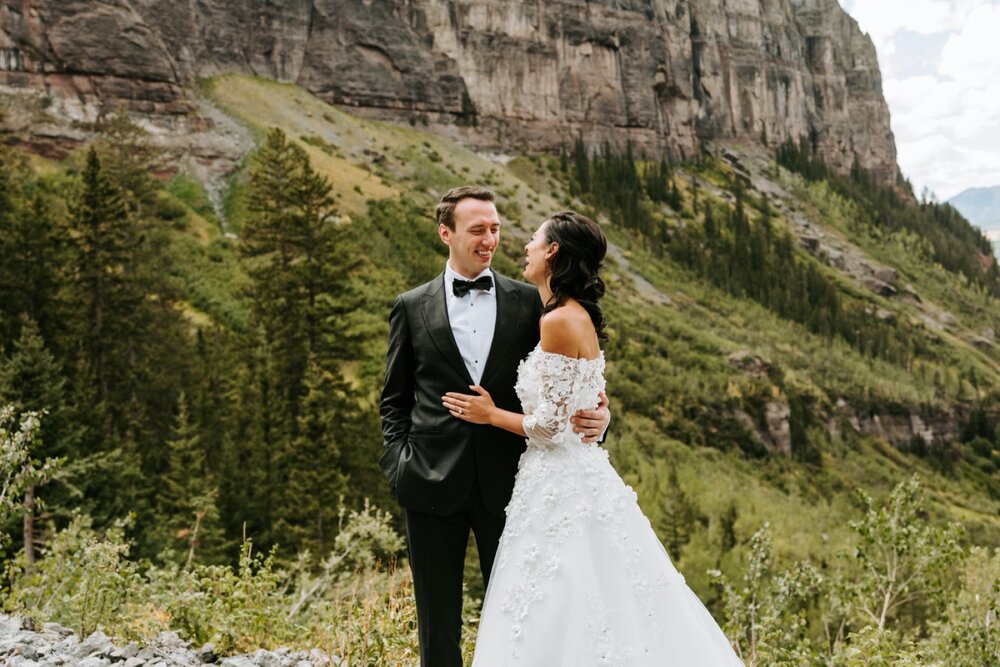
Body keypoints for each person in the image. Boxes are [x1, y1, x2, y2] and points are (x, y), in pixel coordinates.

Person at [443, 211, 744, 665]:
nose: (523, 247)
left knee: (560, 596)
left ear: (553, 252)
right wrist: (600, 413)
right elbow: (584, 397)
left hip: (558, 482)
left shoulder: (560, 321)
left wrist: (489, 414)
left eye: (533, 240)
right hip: (565, 476)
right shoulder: (565, 314)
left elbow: (548, 426)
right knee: (584, 593)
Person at [379, 187, 611, 667]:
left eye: (496, 229)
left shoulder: (534, 304)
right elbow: (394, 400)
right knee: (436, 624)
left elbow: (570, 380)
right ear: (446, 233)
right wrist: (399, 465)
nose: (491, 240)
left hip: (511, 485)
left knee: (518, 615)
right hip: (428, 480)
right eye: (478, 230)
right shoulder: (410, 305)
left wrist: (601, 419)